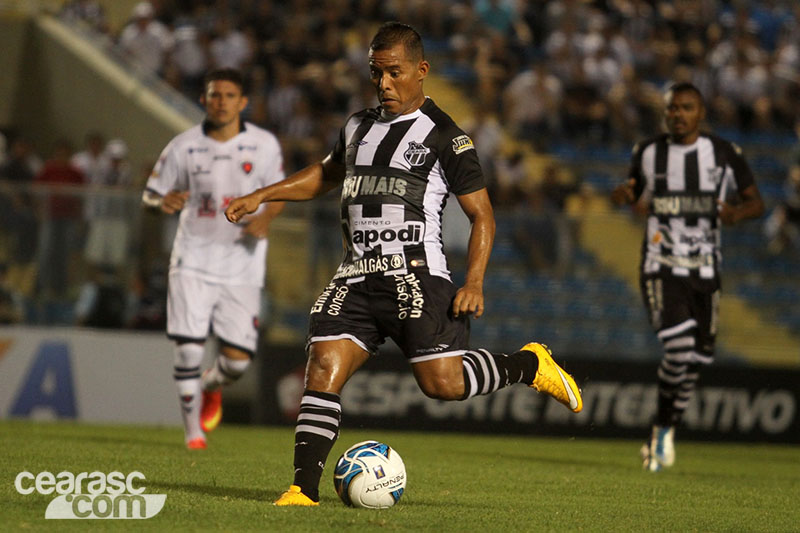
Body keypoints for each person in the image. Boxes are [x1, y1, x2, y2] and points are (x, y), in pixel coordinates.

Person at [225, 22, 583, 506]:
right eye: (376, 73)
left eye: (394, 73)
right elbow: (327, 174)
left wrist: (474, 281)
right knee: (322, 365)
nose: (384, 83)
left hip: (417, 275)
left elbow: (483, 216)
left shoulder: (447, 137)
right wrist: (263, 196)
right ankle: (301, 490)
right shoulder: (357, 126)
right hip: (354, 275)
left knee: (442, 384)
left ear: (421, 70)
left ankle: (528, 364)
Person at [611, 82, 764, 472]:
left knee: (694, 361)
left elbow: (756, 202)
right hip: (661, 266)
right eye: (672, 109)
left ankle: (666, 428)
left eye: (686, 108)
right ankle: (661, 430)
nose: (678, 115)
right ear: (665, 114)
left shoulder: (724, 154)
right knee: (678, 350)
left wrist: (736, 214)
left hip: (707, 270)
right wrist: (625, 196)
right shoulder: (648, 152)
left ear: (701, 114)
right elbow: (634, 192)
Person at [142, 68, 285, 449]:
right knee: (188, 345)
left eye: (228, 95)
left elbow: (281, 192)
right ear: (204, 100)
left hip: (243, 264)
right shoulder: (183, 146)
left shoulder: (265, 145)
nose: (221, 102)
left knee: (237, 363)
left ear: (243, 102)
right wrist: (162, 202)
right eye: (214, 95)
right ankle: (193, 434)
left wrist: (267, 218)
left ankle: (211, 384)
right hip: (192, 259)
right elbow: (150, 195)